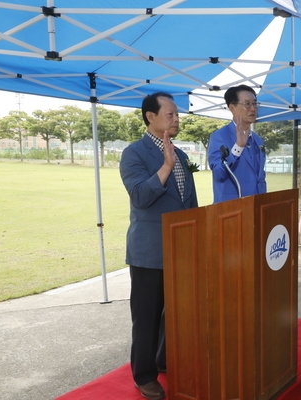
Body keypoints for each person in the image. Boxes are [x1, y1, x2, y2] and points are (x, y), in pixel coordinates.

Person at [120, 92, 198, 400]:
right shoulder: (134, 153)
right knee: (147, 316)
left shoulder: (180, 153)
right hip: (149, 252)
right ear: (150, 117)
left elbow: (188, 202)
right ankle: (144, 375)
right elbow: (140, 196)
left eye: (177, 114)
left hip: (180, 249)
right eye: (170, 114)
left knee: (175, 312)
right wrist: (165, 166)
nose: (176, 119)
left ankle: (163, 359)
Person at [208, 85, 267, 203]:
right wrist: (238, 147)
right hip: (231, 209)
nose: (253, 109)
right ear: (232, 107)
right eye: (247, 104)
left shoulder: (258, 140)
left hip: (257, 206)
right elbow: (219, 174)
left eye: (255, 104)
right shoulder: (219, 137)